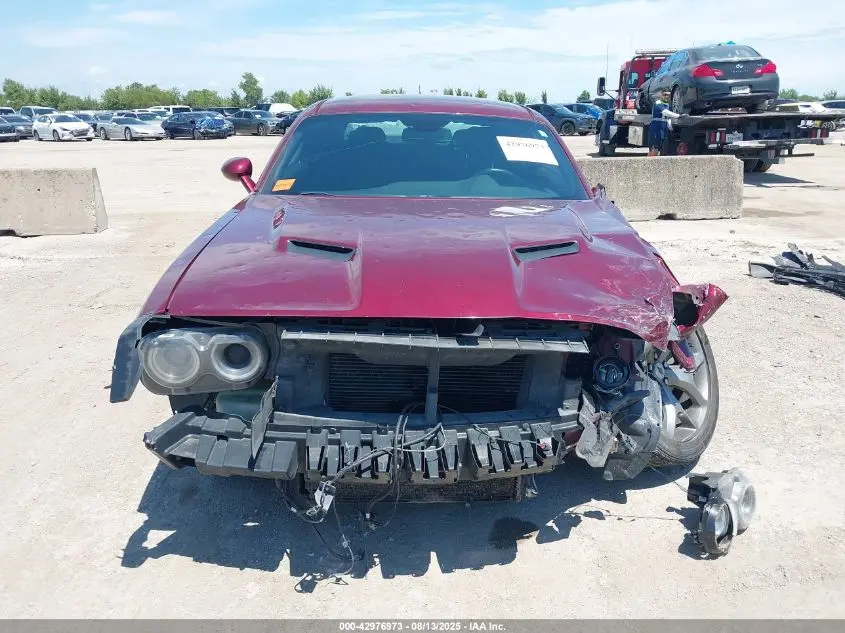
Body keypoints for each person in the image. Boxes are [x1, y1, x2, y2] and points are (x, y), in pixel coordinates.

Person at [647, 90, 683, 156]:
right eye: (664, 95)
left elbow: (668, 118)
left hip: (664, 129)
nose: (666, 97)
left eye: (668, 95)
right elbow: (665, 112)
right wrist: (679, 116)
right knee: (654, 149)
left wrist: (670, 128)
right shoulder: (658, 103)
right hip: (656, 128)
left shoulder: (668, 105)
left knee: (662, 149)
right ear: (661, 95)